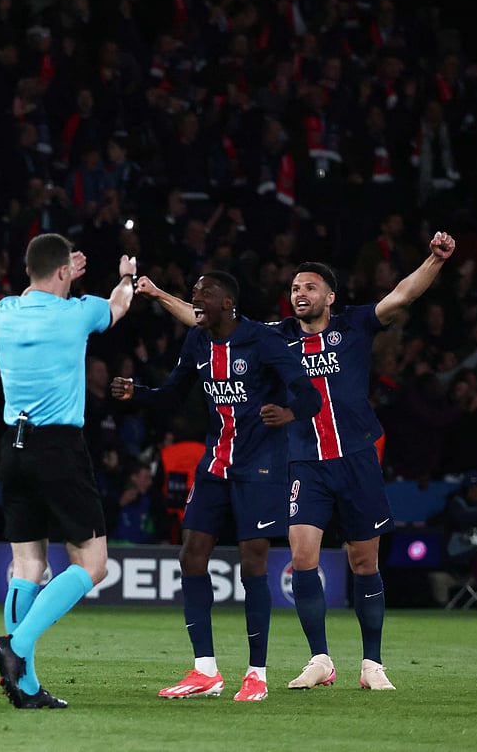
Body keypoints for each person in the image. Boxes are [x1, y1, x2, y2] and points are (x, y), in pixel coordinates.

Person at [135, 231, 455, 691]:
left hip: (356, 457)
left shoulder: (356, 325)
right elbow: (205, 318)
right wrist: (158, 293)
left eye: (308, 288)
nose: (298, 294)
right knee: (303, 558)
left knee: (364, 561)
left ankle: (372, 664)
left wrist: (435, 260)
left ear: (330, 296)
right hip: (304, 462)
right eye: (293, 289)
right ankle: (320, 658)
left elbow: (402, 293)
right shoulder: (275, 338)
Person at [111, 271, 322, 702]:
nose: (196, 300)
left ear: (227, 302)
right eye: (193, 294)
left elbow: (309, 395)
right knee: (191, 555)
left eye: (204, 294)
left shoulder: (262, 341)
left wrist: (288, 412)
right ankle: (205, 670)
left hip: (260, 465)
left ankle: (256, 673)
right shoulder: (198, 342)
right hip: (216, 464)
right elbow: (172, 396)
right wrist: (139, 393)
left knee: (253, 562)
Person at [0, 233, 137, 710]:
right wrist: (127, 276)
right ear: (63, 274)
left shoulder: (3, 312)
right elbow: (118, 305)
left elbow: (39, 286)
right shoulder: (78, 313)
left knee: (28, 565)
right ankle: (16, 646)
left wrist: (60, 271)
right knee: (92, 565)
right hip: (59, 448)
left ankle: (24, 686)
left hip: (13, 446)